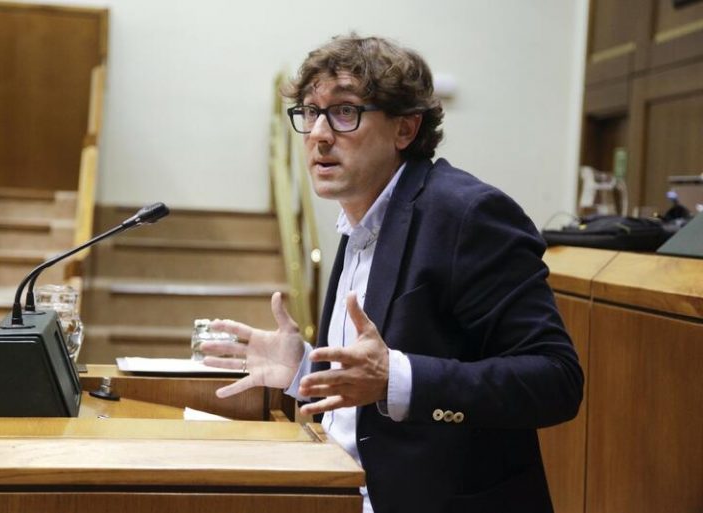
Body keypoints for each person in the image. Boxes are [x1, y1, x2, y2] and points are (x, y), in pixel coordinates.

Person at [201, 34, 583, 513]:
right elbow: (366, 383)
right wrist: (304, 369)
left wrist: (398, 379)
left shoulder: (467, 215)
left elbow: (556, 381)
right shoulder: (358, 219)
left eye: (344, 112)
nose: (319, 133)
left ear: (405, 128)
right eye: (310, 112)